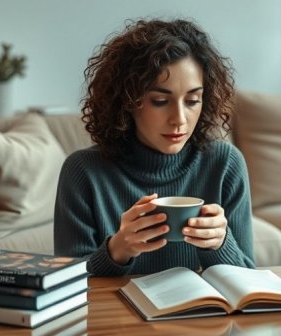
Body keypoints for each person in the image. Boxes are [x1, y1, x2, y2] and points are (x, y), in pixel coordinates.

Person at [54, 18, 255, 276]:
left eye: (193, 100)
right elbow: (64, 284)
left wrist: (219, 243)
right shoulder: (83, 171)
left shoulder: (225, 163)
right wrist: (117, 250)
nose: (180, 119)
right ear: (128, 100)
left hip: (198, 315)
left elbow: (250, 279)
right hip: (116, 317)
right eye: (160, 101)